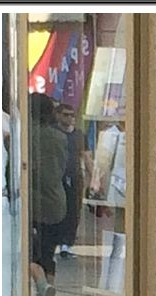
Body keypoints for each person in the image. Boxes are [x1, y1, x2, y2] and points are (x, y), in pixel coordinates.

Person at [28, 93, 67, 296]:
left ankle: (42, 287)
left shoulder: (26, 134)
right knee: (47, 253)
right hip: (57, 203)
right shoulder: (60, 137)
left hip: (34, 202)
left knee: (28, 254)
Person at [54, 101, 88, 258]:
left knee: (74, 210)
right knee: (58, 209)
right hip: (57, 177)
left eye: (72, 115)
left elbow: (86, 156)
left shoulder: (79, 135)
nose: (69, 119)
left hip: (75, 177)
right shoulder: (53, 133)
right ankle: (57, 240)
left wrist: (93, 178)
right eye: (65, 115)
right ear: (58, 115)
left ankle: (67, 244)